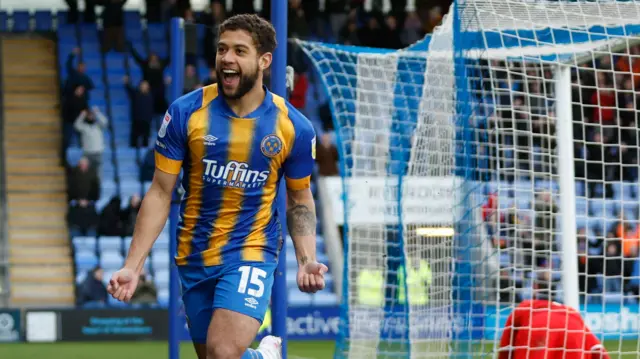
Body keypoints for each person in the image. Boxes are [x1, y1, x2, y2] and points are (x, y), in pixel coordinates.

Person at [107, 14, 325, 359]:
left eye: (240, 51)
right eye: (222, 49)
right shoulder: (186, 112)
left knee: (222, 353)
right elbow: (161, 191)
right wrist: (133, 266)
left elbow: (299, 197)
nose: (227, 58)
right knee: (214, 356)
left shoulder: (293, 127)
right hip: (194, 255)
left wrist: (306, 259)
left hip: (252, 248)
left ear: (264, 61)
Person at [498, 298, 610, 359]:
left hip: (538, 326)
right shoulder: (572, 314)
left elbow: (506, 348)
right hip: (573, 327)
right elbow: (597, 348)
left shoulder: (524, 307)